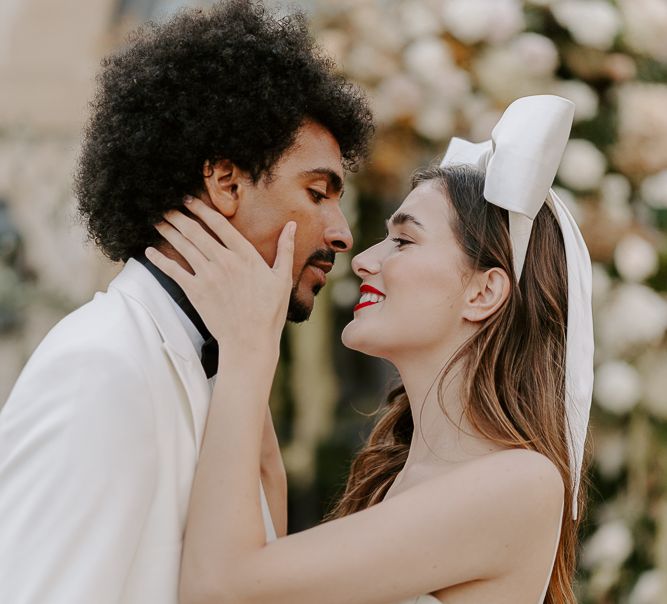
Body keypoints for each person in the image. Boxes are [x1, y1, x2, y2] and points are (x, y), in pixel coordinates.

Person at [146, 95, 594, 604]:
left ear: (483, 292)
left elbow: (219, 587)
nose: (363, 260)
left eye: (403, 242)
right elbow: (260, 552)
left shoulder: (521, 484)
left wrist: (250, 355)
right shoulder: (395, 476)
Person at [0, 1, 372, 603]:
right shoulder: (103, 363)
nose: (341, 232)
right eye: (317, 192)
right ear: (226, 183)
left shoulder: (222, 363)